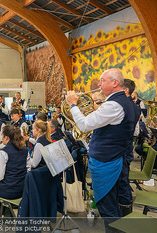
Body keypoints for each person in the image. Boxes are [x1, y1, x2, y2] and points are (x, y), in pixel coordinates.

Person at [66, 69, 137, 227]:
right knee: (116, 203)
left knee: (107, 208)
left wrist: (72, 104)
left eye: (102, 80)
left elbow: (84, 125)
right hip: (117, 159)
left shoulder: (113, 105)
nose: (98, 84)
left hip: (108, 163)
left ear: (115, 83)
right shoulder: (127, 103)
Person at [0, 125, 30, 215]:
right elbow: (28, 169)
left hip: (9, 190)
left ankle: (7, 213)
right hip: (24, 188)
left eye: (2, 136)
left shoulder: (3, 152)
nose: (1, 138)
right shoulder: (25, 149)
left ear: (6, 137)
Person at [120, 79, 141, 215]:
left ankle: (125, 213)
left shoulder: (126, 106)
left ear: (126, 90)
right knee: (123, 181)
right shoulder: (132, 106)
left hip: (124, 148)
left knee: (123, 181)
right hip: (126, 147)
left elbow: (134, 131)